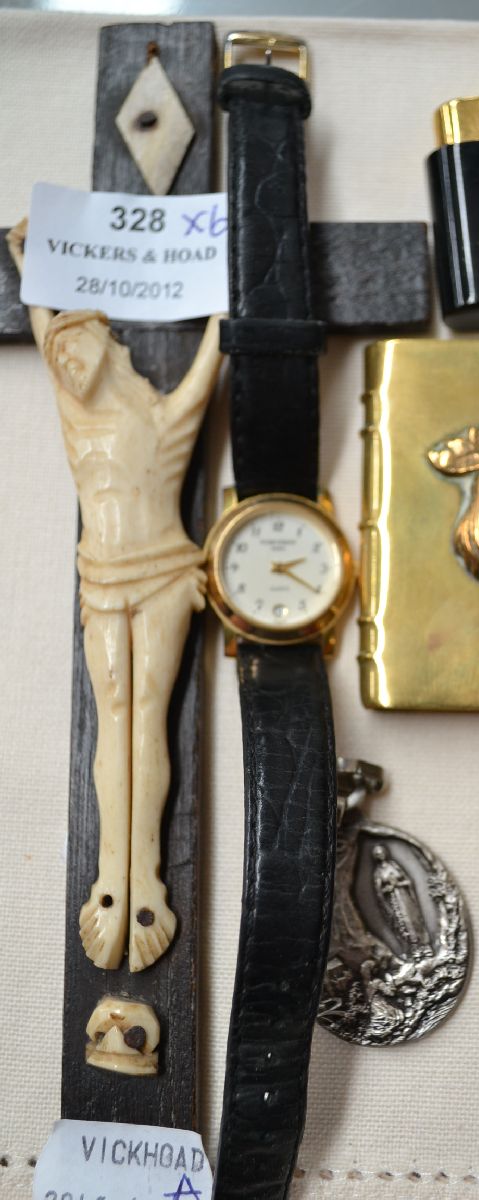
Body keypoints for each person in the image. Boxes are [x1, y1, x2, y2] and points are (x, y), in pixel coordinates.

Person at [8, 219, 223, 972]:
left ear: (109, 347)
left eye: (80, 344)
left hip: (163, 573)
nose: (67, 357)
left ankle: (147, 884)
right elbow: (45, 337)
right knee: (115, 718)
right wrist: (31, 261)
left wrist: (224, 306)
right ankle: (110, 882)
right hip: (99, 575)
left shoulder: (165, 418)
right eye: (63, 351)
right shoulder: (78, 416)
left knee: (149, 718)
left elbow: (207, 369)